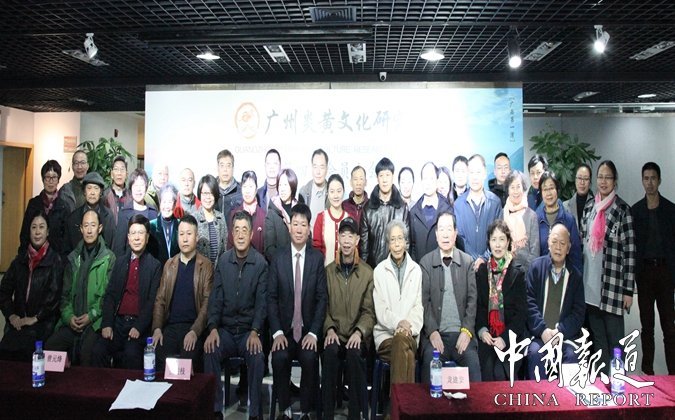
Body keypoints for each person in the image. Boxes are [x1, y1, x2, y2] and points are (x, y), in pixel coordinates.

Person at [204, 211, 267, 419]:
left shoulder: (260, 264)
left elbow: (262, 304)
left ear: (251, 235)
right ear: (231, 234)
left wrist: (256, 330)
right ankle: (214, 409)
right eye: (237, 230)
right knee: (210, 349)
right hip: (226, 331)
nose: (240, 235)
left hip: (249, 332)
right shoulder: (223, 261)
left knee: (257, 356)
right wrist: (213, 328)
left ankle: (255, 412)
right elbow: (215, 299)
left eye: (244, 230)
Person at [267, 203, 327, 420]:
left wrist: (314, 333)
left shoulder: (316, 259)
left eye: (303, 224)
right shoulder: (278, 258)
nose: (299, 229)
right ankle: (284, 409)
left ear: (309, 229)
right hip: (285, 330)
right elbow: (271, 298)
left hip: (307, 330)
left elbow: (322, 299)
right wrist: (277, 332)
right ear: (289, 227)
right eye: (295, 224)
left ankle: (306, 411)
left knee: (310, 358)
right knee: (279, 357)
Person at [581, 160, 635, 373]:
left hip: (612, 288)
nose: (603, 181)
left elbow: (629, 253)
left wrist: (628, 290)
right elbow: (583, 243)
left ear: (615, 181)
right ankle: (603, 382)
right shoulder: (589, 207)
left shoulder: (622, 210)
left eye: (608, 177)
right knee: (599, 342)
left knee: (616, 343)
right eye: (600, 177)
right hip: (590, 287)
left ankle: (618, 383)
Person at [45, 209, 116, 366]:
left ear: (100, 228)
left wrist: (91, 316)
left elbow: (107, 296)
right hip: (73, 321)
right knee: (50, 347)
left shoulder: (109, 258)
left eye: (93, 225)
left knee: (87, 353)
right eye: (86, 226)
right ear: (81, 229)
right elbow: (64, 296)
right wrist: (69, 317)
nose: (89, 230)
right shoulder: (73, 258)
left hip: (95, 322)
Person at [91, 214, 161, 369]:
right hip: (117, 323)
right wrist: (107, 324)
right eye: (133, 233)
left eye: (141, 233)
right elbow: (110, 295)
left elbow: (152, 302)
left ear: (147, 238)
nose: (137, 237)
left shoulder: (154, 266)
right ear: (128, 238)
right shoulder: (120, 262)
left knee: (131, 354)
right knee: (98, 351)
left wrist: (139, 327)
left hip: (138, 325)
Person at [322, 217, 375, 420]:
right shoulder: (328, 272)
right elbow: (323, 307)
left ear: (357, 240)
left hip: (356, 335)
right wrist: (329, 328)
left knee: (354, 354)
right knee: (329, 352)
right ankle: (327, 414)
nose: (346, 240)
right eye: (342, 235)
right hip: (335, 333)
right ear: (338, 238)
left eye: (350, 236)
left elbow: (369, 311)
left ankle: (355, 414)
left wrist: (359, 332)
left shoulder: (367, 273)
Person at [420, 212, 481, 383]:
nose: (445, 234)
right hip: (436, 335)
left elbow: (472, 300)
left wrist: (466, 331)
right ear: (436, 234)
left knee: (473, 365)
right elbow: (424, 302)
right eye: (441, 229)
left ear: (455, 233)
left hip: (462, 334)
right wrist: (432, 332)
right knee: (429, 363)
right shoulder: (426, 263)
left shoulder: (467, 262)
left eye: (449, 229)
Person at [152, 214, 213, 373]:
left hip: (193, 327)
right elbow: (160, 300)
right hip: (171, 328)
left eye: (189, 234)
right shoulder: (169, 264)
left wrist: (195, 331)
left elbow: (207, 303)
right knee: (158, 358)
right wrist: (157, 328)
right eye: (181, 234)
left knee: (187, 364)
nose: (185, 239)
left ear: (196, 237)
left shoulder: (206, 266)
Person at [0, 211, 63, 361]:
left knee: (27, 351)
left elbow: (54, 297)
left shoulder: (55, 260)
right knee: (5, 352)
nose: (37, 232)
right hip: (19, 322)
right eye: (33, 227)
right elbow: (3, 291)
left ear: (48, 232)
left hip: (43, 323)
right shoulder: (20, 260)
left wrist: (35, 318)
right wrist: (11, 315)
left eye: (41, 227)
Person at [632, 162, 675, 374]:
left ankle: (673, 374)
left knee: (670, 328)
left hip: (666, 273)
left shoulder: (671, 209)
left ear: (659, 180)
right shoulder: (635, 211)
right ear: (642, 181)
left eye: (653, 178)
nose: (649, 183)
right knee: (647, 328)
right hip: (645, 274)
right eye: (646, 178)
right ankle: (648, 374)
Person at [526, 224, 585, 379]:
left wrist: (560, 332)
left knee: (573, 355)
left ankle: (568, 395)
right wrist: (543, 330)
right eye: (554, 242)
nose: (558, 247)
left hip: (565, 336)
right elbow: (529, 304)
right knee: (535, 353)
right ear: (548, 243)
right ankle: (538, 395)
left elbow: (578, 313)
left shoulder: (575, 276)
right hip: (540, 335)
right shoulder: (536, 268)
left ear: (568, 248)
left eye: (562, 243)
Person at [373, 219, 422, 389]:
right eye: (392, 240)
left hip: (410, 334)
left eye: (400, 239)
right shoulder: (379, 271)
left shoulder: (416, 270)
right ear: (388, 244)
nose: (397, 244)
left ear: (406, 242)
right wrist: (399, 323)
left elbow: (418, 307)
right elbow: (381, 310)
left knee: (402, 342)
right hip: (385, 337)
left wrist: (408, 328)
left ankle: (396, 403)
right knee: (407, 354)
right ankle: (404, 403)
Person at [475, 220, 526, 381]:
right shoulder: (482, 271)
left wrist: (504, 338)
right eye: (494, 239)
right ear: (489, 243)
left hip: (510, 337)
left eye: (502, 239)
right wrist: (482, 331)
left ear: (508, 242)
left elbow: (521, 314)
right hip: (488, 336)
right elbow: (479, 307)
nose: (497, 245)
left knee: (500, 372)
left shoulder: (518, 272)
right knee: (487, 370)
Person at [454, 154, 503, 268]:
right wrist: (474, 259)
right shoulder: (458, 204)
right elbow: (460, 237)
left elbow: (499, 235)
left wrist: (484, 258)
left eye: (478, 172)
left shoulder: (495, 202)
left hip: (491, 266)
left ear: (484, 173)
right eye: (471, 172)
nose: (475, 177)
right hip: (466, 266)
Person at [360, 157, 410, 269]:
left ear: (393, 177)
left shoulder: (402, 208)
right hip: (373, 269)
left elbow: (406, 243)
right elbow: (364, 249)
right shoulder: (367, 209)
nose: (385, 180)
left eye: (388, 175)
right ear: (377, 178)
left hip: (397, 267)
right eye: (381, 175)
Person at [19, 160, 69, 258]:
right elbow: (25, 233)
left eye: (54, 177)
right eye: (47, 177)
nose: (51, 181)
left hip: (55, 258)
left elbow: (66, 239)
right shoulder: (33, 204)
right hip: (34, 256)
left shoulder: (64, 206)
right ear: (43, 179)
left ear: (58, 180)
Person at [536, 171, 582, 274]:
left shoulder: (569, 220)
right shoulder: (536, 219)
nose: (548, 193)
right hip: (542, 275)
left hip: (564, 276)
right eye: (545, 189)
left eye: (551, 188)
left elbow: (576, 256)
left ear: (557, 190)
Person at [409, 162, 453, 262]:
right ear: (421, 181)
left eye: (431, 178)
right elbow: (412, 247)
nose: (428, 182)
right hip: (419, 268)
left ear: (437, 181)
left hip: (442, 267)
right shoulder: (413, 212)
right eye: (425, 178)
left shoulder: (447, 210)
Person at [64, 171, 116, 255]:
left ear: (101, 192)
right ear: (84, 192)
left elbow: (112, 246)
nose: (92, 192)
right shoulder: (74, 217)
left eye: (96, 188)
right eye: (89, 188)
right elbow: (69, 249)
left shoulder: (108, 216)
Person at [113, 168, 158, 256]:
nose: (138, 189)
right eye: (135, 185)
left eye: (141, 185)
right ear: (131, 188)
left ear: (146, 188)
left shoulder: (153, 213)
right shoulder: (123, 214)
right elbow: (119, 247)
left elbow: (156, 245)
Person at [503, 170, 540, 270]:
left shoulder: (532, 216)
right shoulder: (502, 214)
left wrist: (523, 272)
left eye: (518, 186)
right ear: (508, 190)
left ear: (523, 188)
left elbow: (535, 251)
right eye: (512, 187)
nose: (515, 191)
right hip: (505, 270)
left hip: (527, 271)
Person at [313, 174, 351, 267]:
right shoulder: (321, 218)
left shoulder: (349, 219)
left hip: (346, 273)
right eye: (332, 191)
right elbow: (316, 249)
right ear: (328, 194)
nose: (336, 195)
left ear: (344, 192)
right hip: (325, 272)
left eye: (339, 191)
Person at [264, 168, 299, 261]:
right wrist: (283, 264)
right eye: (280, 185)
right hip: (279, 265)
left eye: (285, 185)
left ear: (292, 186)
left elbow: (307, 241)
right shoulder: (272, 213)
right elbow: (269, 248)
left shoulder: (300, 211)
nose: (282, 189)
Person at [228, 171, 266, 255]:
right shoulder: (234, 214)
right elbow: (230, 245)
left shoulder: (263, 216)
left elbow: (266, 249)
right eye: (244, 186)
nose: (247, 191)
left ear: (256, 189)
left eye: (251, 187)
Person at [196, 174, 228, 265]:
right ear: (200, 194)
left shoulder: (221, 218)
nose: (208, 197)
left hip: (218, 270)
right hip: (199, 271)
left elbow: (225, 248)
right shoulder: (194, 218)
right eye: (205, 193)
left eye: (211, 193)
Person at [149, 184, 180, 266]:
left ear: (174, 204)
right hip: (157, 270)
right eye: (164, 202)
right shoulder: (151, 226)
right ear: (160, 203)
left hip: (177, 269)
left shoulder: (181, 225)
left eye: (170, 202)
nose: (167, 206)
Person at [298, 148, 329, 230]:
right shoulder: (303, 192)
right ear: (311, 168)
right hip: (308, 236)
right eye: (315, 167)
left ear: (327, 169)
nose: (318, 172)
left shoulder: (332, 192)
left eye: (322, 167)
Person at [563, 164, 594, 231]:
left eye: (586, 179)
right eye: (579, 178)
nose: (582, 182)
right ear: (575, 180)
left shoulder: (596, 206)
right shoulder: (564, 206)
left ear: (590, 183)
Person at [102, 155, 131, 225]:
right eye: (116, 169)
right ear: (111, 174)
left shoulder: (131, 196)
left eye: (122, 169)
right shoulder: (104, 196)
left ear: (126, 174)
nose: (119, 173)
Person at [216, 149, 243, 219]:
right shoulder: (211, 189)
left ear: (233, 168)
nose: (225, 169)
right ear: (218, 168)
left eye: (228, 166)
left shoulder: (241, 190)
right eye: (222, 165)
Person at [342, 165, 368, 229]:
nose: (358, 183)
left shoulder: (371, 205)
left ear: (365, 182)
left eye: (361, 179)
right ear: (351, 182)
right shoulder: (344, 205)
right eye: (355, 179)